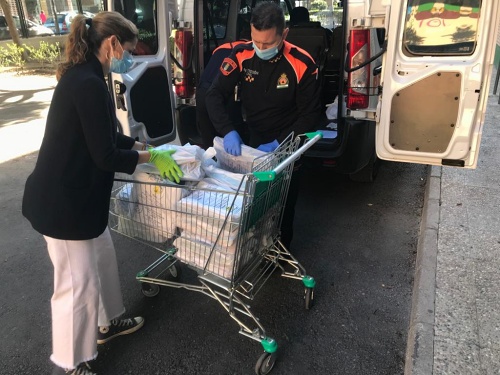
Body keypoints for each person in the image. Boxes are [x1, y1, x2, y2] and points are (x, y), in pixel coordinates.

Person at [22, 11, 183, 375]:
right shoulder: (87, 84)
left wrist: (142, 145)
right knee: (76, 285)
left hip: (78, 197)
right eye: (128, 49)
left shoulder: (90, 77)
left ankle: (106, 324)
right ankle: (72, 360)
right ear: (111, 45)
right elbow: (106, 154)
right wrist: (149, 156)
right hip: (63, 204)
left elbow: (105, 133)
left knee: (103, 258)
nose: (130, 57)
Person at [205, 1, 322, 248]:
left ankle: (281, 248)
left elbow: (310, 115)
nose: (260, 48)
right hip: (255, 139)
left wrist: (282, 142)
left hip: (289, 140)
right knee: (255, 201)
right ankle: (254, 248)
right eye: (256, 41)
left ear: (284, 34)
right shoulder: (241, 55)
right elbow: (214, 95)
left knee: (284, 200)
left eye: (268, 44)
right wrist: (228, 131)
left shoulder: (302, 63)